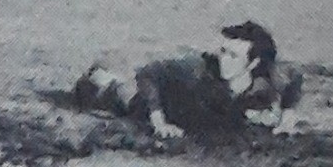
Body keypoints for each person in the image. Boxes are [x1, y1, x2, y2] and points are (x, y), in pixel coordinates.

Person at [72, 21, 305, 139]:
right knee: (117, 94)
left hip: (197, 111)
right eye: (223, 51)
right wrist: (159, 122)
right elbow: (149, 73)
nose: (222, 58)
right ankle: (98, 76)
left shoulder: (266, 76)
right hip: (155, 101)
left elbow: (295, 77)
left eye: (233, 55)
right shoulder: (198, 68)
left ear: (253, 64)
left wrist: (287, 119)